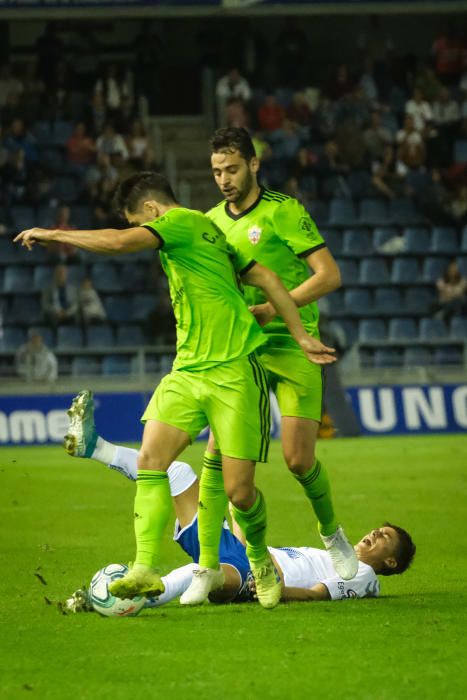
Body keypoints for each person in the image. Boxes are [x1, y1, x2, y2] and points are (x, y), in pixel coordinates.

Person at [15, 170, 336, 610]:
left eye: (137, 221)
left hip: (236, 374)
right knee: (151, 459)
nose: (138, 231)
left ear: (150, 210)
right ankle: (144, 566)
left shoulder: (180, 222)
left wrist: (53, 233)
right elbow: (268, 280)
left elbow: (118, 243)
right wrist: (299, 333)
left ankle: (259, 558)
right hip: (188, 370)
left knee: (241, 494)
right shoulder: (214, 233)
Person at [63, 391, 416, 610]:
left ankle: (125, 598)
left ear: (390, 562)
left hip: (252, 578)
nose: (374, 533)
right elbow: (259, 551)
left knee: (202, 569)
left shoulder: (365, 576)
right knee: (179, 476)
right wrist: (236, 511)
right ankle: (94, 447)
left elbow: (316, 595)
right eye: (378, 529)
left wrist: (268, 588)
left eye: (384, 538)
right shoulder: (331, 557)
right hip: (245, 557)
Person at [206, 127, 357, 581]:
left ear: (254, 165)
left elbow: (329, 275)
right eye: (216, 172)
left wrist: (273, 309)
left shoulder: (284, 211)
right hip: (244, 352)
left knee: (298, 459)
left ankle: (332, 533)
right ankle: (215, 561)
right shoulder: (210, 220)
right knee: (218, 458)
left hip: (294, 346)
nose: (224, 179)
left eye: (232, 169)